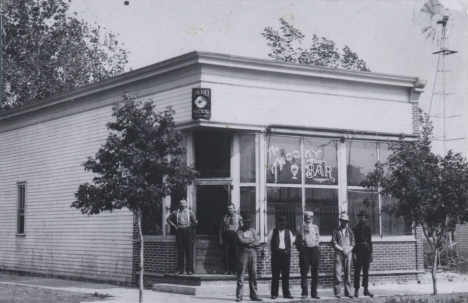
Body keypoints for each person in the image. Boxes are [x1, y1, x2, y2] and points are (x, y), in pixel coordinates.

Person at [166, 199, 198, 275]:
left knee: (188, 251)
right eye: (181, 203)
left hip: (188, 231)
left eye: (184, 203)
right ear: (179, 204)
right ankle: (180, 270)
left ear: (186, 204)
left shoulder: (190, 212)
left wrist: (190, 227)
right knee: (180, 251)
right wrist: (174, 226)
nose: (182, 204)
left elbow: (195, 222)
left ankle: (189, 270)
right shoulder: (175, 212)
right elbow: (168, 219)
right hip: (179, 231)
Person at [266, 216, 294, 300]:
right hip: (276, 256)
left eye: (283, 224)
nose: (282, 226)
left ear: (285, 225)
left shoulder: (288, 232)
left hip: (285, 255)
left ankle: (286, 293)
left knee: (286, 275)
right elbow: (268, 243)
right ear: (278, 224)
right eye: (280, 224)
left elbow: (291, 243)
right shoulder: (273, 232)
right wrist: (274, 251)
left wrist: (286, 250)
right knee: (275, 275)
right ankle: (274, 293)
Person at [235, 214, 262, 302]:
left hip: (253, 253)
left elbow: (258, 241)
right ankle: (239, 296)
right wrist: (251, 241)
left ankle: (254, 295)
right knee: (241, 275)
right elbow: (241, 240)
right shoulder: (239, 230)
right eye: (246, 223)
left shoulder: (253, 231)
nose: (247, 224)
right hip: (243, 253)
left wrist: (249, 243)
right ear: (243, 223)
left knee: (253, 275)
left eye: (249, 223)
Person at [294, 211, 321, 300]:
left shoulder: (315, 228)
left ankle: (314, 293)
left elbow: (318, 240)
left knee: (315, 273)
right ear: (304, 219)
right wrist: (301, 250)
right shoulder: (299, 229)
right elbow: (297, 243)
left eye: (309, 219)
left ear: (312, 219)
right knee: (304, 273)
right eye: (306, 219)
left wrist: (315, 248)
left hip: (314, 251)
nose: (308, 220)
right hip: (304, 251)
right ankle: (304, 293)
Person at [331, 212, 355, 299]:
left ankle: (348, 292)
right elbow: (334, 243)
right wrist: (342, 250)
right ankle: (337, 292)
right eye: (342, 221)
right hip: (339, 253)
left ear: (347, 222)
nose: (344, 222)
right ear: (340, 221)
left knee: (348, 273)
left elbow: (353, 243)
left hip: (348, 253)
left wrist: (348, 250)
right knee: (337, 273)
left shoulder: (350, 232)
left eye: (345, 221)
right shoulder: (336, 231)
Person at [352, 210, 374, 298]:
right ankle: (356, 290)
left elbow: (370, 241)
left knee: (366, 271)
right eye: (361, 217)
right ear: (359, 218)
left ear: (366, 219)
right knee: (357, 271)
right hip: (358, 252)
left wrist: (371, 253)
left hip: (367, 252)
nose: (363, 218)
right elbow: (353, 242)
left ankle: (366, 289)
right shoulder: (355, 228)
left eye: (365, 217)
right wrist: (354, 254)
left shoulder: (368, 229)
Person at [219, 203, 243, 275]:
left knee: (235, 254)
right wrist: (220, 238)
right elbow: (221, 229)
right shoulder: (225, 217)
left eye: (231, 208)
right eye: (228, 209)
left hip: (235, 236)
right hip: (226, 236)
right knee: (226, 254)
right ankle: (227, 270)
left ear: (234, 208)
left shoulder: (238, 217)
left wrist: (240, 237)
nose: (230, 210)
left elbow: (242, 227)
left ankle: (235, 270)